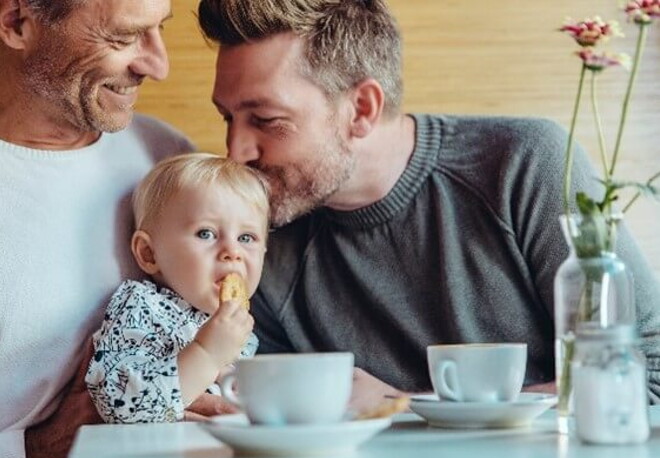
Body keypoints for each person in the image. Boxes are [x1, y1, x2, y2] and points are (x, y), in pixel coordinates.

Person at [197, 0, 660, 409]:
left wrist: (405, 407)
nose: (236, 151)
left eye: (266, 120)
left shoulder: (525, 165)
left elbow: (649, 373)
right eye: (227, 117)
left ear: (361, 109)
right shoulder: (255, 238)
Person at [0, 0, 194, 458]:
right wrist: (33, 456)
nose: (158, 64)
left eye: (158, 30)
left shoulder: (169, 161)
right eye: (124, 37)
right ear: (16, 23)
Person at [85, 153, 269, 423]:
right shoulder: (140, 308)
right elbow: (120, 404)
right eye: (206, 233)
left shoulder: (242, 330)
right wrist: (207, 354)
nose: (233, 251)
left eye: (246, 237)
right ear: (149, 253)